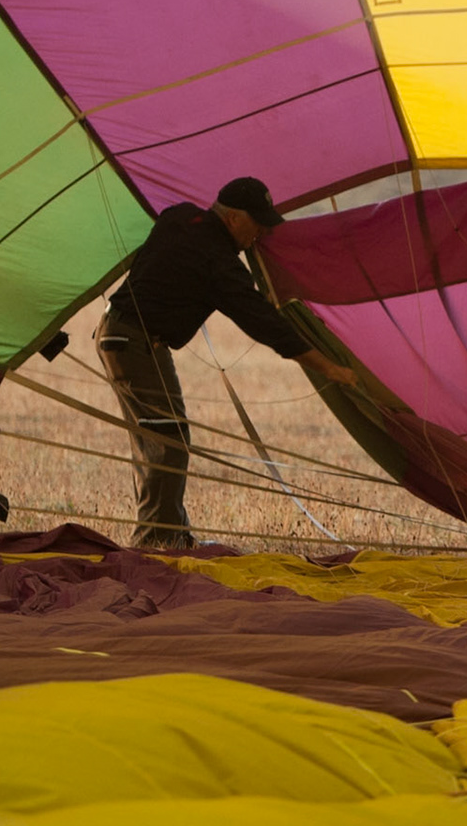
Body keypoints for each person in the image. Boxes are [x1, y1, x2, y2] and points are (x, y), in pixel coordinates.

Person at [98, 176, 352, 548]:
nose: (261, 232)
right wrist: (327, 367)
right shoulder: (218, 262)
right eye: (257, 223)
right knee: (165, 439)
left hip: (130, 337)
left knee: (166, 436)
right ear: (233, 218)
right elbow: (263, 322)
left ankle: (171, 534)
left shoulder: (180, 217)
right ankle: (154, 544)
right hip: (132, 340)